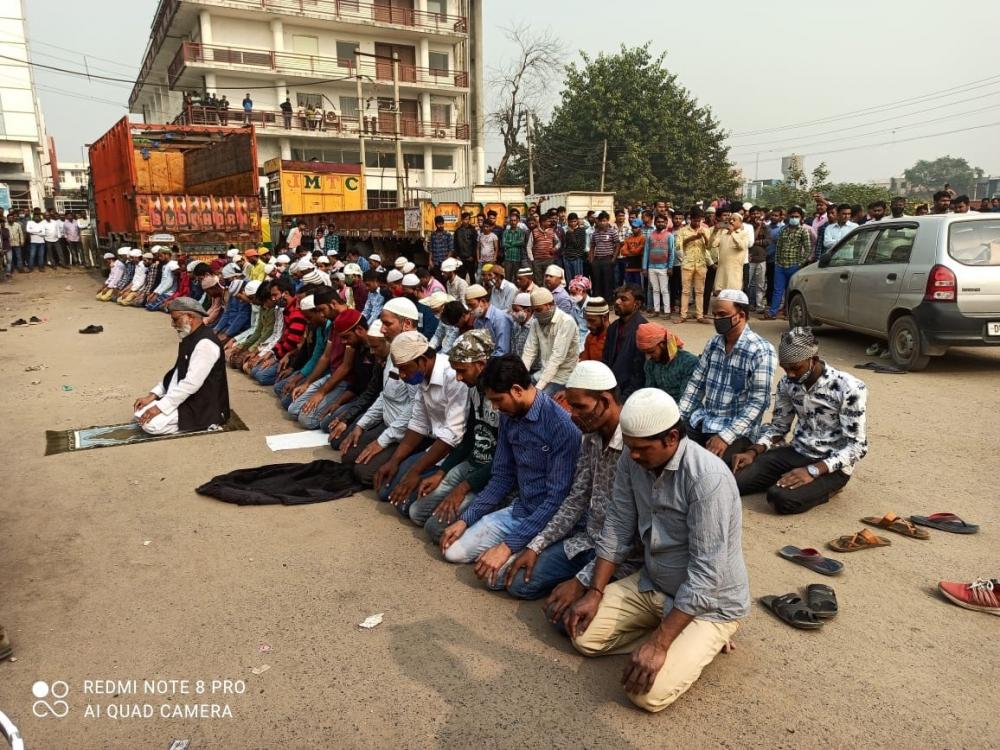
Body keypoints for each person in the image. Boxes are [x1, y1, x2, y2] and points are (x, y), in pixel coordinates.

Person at [565, 388, 749, 714]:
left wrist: (659, 643)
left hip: (710, 604)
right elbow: (618, 525)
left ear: (672, 438)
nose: (632, 456)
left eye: (641, 449)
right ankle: (675, 630)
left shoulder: (708, 478)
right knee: (583, 636)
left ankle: (699, 635)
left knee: (647, 696)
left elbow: (707, 574)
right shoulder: (631, 457)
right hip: (654, 584)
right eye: (630, 447)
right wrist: (595, 590)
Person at [439, 355, 581, 585]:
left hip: (547, 520)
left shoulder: (562, 426)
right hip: (520, 509)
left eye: (497, 400)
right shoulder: (509, 415)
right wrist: (466, 519)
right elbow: (502, 476)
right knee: (452, 551)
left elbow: (556, 500)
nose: (495, 407)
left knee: (495, 580)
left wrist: (507, 546)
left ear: (516, 390)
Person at [502, 361, 623, 599]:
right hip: (587, 540)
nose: (573, 416)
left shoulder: (634, 446)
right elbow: (576, 500)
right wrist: (535, 546)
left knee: (567, 619)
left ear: (606, 402)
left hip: (619, 554)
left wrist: (582, 581)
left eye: (579, 407)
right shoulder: (591, 439)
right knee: (516, 583)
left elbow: (629, 531)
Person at [732, 328, 868, 515]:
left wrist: (812, 471)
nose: (790, 374)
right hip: (797, 452)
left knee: (780, 499)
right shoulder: (787, 384)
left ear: (813, 358)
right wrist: (753, 451)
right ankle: (787, 478)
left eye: (795, 368)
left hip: (830, 463)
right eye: (785, 368)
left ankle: (828, 487)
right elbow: (779, 428)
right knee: (732, 480)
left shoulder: (849, 388)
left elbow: (858, 446)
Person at [409, 330, 499, 540]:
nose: (458, 377)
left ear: (481, 364)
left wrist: (464, 487)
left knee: (434, 529)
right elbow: (470, 437)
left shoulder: (501, 397)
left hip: (491, 474)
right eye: (455, 371)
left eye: (462, 371)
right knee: (415, 512)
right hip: (472, 463)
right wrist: (442, 471)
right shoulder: (475, 389)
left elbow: (504, 458)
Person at [374, 331, 470, 516]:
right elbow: (418, 423)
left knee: (404, 507)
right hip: (435, 447)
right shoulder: (422, 375)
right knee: (386, 492)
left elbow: (452, 434)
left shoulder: (453, 375)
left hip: (453, 452)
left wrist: (415, 471)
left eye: (404, 369)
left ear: (423, 360)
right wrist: (395, 460)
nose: (401, 375)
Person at [679, 289, 776, 467]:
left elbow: (759, 402)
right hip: (705, 420)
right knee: (667, 447)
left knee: (710, 470)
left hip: (737, 430)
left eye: (722, 314)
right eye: (714, 314)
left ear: (740, 315)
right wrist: (678, 419)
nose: (717, 319)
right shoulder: (714, 343)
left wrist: (725, 437)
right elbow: (695, 385)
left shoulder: (761, 350)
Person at [340, 300, 420, 485]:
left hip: (405, 433)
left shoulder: (414, 355)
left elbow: (416, 408)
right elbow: (385, 395)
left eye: (387, 324)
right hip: (388, 424)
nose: (382, 330)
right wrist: (361, 424)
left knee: (363, 473)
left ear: (407, 324)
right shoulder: (395, 349)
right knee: (347, 455)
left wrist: (383, 441)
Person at [133, 297, 231, 435]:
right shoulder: (190, 337)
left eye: (175, 319)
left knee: (150, 425)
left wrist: (160, 407)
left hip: (203, 404)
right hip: (190, 397)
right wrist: (153, 395)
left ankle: (208, 422)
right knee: (139, 413)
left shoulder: (205, 344)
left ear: (190, 317)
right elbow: (177, 371)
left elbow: (191, 383)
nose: (173, 324)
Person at [521, 286, 579, 395]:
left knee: (536, 400)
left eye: (538, 310)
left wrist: (538, 388)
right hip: (543, 373)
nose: (536, 314)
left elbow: (557, 358)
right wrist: (521, 376)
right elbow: (529, 351)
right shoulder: (536, 322)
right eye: (534, 311)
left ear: (549, 305)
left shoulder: (566, 322)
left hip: (562, 377)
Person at [601, 285, 648, 402]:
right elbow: (606, 360)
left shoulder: (643, 330)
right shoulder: (613, 327)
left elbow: (639, 374)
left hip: (631, 394)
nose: (617, 302)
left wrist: (623, 400)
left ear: (637, 304)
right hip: (610, 387)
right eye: (617, 298)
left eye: (623, 299)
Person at [766, 206, 813, 320]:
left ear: (801, 218)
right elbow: (779, 247)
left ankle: (788, 313)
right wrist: (777, 261)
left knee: (791, 291)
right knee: (778, 290)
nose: (794, 218)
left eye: (796, 217)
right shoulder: (783, 230)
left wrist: (800, 263)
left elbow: (807, 249)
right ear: (788, 217)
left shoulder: (803, 231)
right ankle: (772, 312)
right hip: (780, 265)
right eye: (792, 216)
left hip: (794, 265)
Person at [635, 322, 699, 403]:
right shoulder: (650, 364)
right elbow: (650, 394)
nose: (648, 357)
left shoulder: (689, 363)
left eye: (651, 352)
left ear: (662, 344)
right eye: (645, 352)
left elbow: (686, 402)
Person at [675, 208, 712, 323]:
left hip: (701, 264)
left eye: (699, 221)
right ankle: (683, 316)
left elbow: (709, 247)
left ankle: (700, 316)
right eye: (695, 220)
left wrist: (704, 237)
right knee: (685, 291)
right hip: (687, 263)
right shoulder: (683, 230)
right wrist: (692, 237)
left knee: (700, 291)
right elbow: (678, 246)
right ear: (690, 219)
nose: (697, 223)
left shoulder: (705, 230)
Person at [465, 283, 512, 356]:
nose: (470, 309)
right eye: (468, 306)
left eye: (472, 305)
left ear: (483, 301)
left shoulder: (499, 319)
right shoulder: (477, 321)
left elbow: (502, 351)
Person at [642, 214, 674, 318]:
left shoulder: (669, 235)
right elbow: (646, 252)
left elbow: (671, 252)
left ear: (666, 223)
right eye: (658, 222)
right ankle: (656, 310)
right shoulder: (650, 235)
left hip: (664, 267)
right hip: (651, 267)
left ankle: (667, 311)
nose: (660, 223)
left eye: (662, 222)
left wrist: (670, 266)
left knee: (664, 290)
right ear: (655, 223)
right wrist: (644, 267)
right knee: (655, 289)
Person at [711, 213, 748, 294]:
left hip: (734, 274)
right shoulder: (723, 233)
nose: (731, 221)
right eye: (730, 219)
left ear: (740, 222)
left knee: (732, 296)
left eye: (734, 220)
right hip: (721, 273)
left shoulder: (744, 233)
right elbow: (712, 244)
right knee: (720, 296)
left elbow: (742, 246)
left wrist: (732, 233)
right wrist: (715, 231)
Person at [588, 211, 620, 302]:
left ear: (608, 221)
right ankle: (598, 301)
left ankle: (609, 301)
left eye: (605, 220)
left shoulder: (612, 232)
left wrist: (613, 258)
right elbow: (592, 246)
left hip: (608, 259)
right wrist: (591, 259)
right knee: (596, 281)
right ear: (598, 221)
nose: (603, 223)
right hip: (597, 260)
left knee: (607, 282)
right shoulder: (595, 233)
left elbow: (617, 245)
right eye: (601, 221)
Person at [580, 297, 609, 361]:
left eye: (592, 321)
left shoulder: (615, 340)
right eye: (587, 320)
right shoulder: (590, 337)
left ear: (604, 318)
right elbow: (585, 363)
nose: (588, 325)